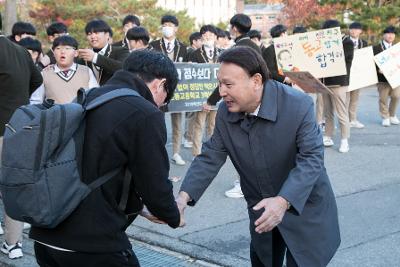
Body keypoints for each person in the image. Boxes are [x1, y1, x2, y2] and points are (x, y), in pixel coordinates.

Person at [176, 46, 340, 267]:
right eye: (219, 84)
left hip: (303, 205)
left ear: (255, 80)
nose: (221, 92)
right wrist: (182, 198)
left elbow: (311, 159)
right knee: (264, 261)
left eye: (228, 84)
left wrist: (283, 201)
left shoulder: (297, 105)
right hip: (262, 208)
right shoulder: (226, 112)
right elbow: (210, 156)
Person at [30, 50, 184, 267]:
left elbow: (97, 167)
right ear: (160, 84)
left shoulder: (90, 97)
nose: (160, 105)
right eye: (165, 99)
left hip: (47, 235)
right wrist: (173, 216)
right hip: (91, 243)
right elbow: (154, 184)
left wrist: (139, 208)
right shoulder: (145, 113)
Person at [0, 14, 43, 259]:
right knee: (14, 187)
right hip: (20, 127)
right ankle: (13, 243)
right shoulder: (20, 52)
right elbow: (36, 79)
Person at [149, 14, 189, 166]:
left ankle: (176, 152)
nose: (167, 28)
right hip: (158, 90)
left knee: (178, 122)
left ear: (176, 28)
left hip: (178, 92)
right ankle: (155, 151)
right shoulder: (153, 46)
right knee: (156, 120)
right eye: (165, 24)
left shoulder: (184, 48)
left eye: (170, 25)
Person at [30, 36, 98, 105]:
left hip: (83, 114)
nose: (62, 52)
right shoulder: (44, 74)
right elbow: (36, 102)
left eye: (67, 48)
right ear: (53, 53)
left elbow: (95, 97)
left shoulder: (86, 71)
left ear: (76, 53)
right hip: (55, 115)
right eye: (58, 48)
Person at [321, 20, 354, 153]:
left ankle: (344, 140)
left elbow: (338, 58)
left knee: (341, 112)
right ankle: (328, 136)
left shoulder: (347, 42)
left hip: (339, 82)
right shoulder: (323, 42)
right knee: (327, 112)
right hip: (324, 82)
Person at [188, 25, 220, 157]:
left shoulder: (222, 53)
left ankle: (210, 151)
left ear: (216, 37)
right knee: (199, 124)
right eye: (205, 36)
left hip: (217, 94)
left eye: (211, 35)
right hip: (200, 94)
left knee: (212, 125)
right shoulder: (194, 54)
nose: (208, 38)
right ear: (201, 37)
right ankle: (196, 152)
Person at [78, 19, 129, 86]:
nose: (93, 37)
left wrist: (95, 57)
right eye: (89, 34)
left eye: (96, 33)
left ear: (107, 35)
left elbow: (123, 69)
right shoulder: (83, 58)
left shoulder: (120, 51)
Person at [343, 22, 368, 129]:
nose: (354, 31)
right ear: (349, 30)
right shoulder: (343, 41)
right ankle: (344, 121)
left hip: (358, 75)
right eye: (352, 29)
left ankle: (353, 119)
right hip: (346, 73)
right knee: (345, 99)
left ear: (360, 31)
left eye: (357, 29)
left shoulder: (364, 43)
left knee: (355, 98)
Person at [373, 25, 399, 127]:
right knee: (383, 99)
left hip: (396, 78)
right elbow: (371, 63)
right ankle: (385, 117)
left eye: (392, 34)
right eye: (388, 34)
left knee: (396, 96)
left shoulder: (397, 48)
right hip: (382, 79)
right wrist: (378, 69)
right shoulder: (376, 48)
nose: (390, 36)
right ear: (384, 35)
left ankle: (392, 115)